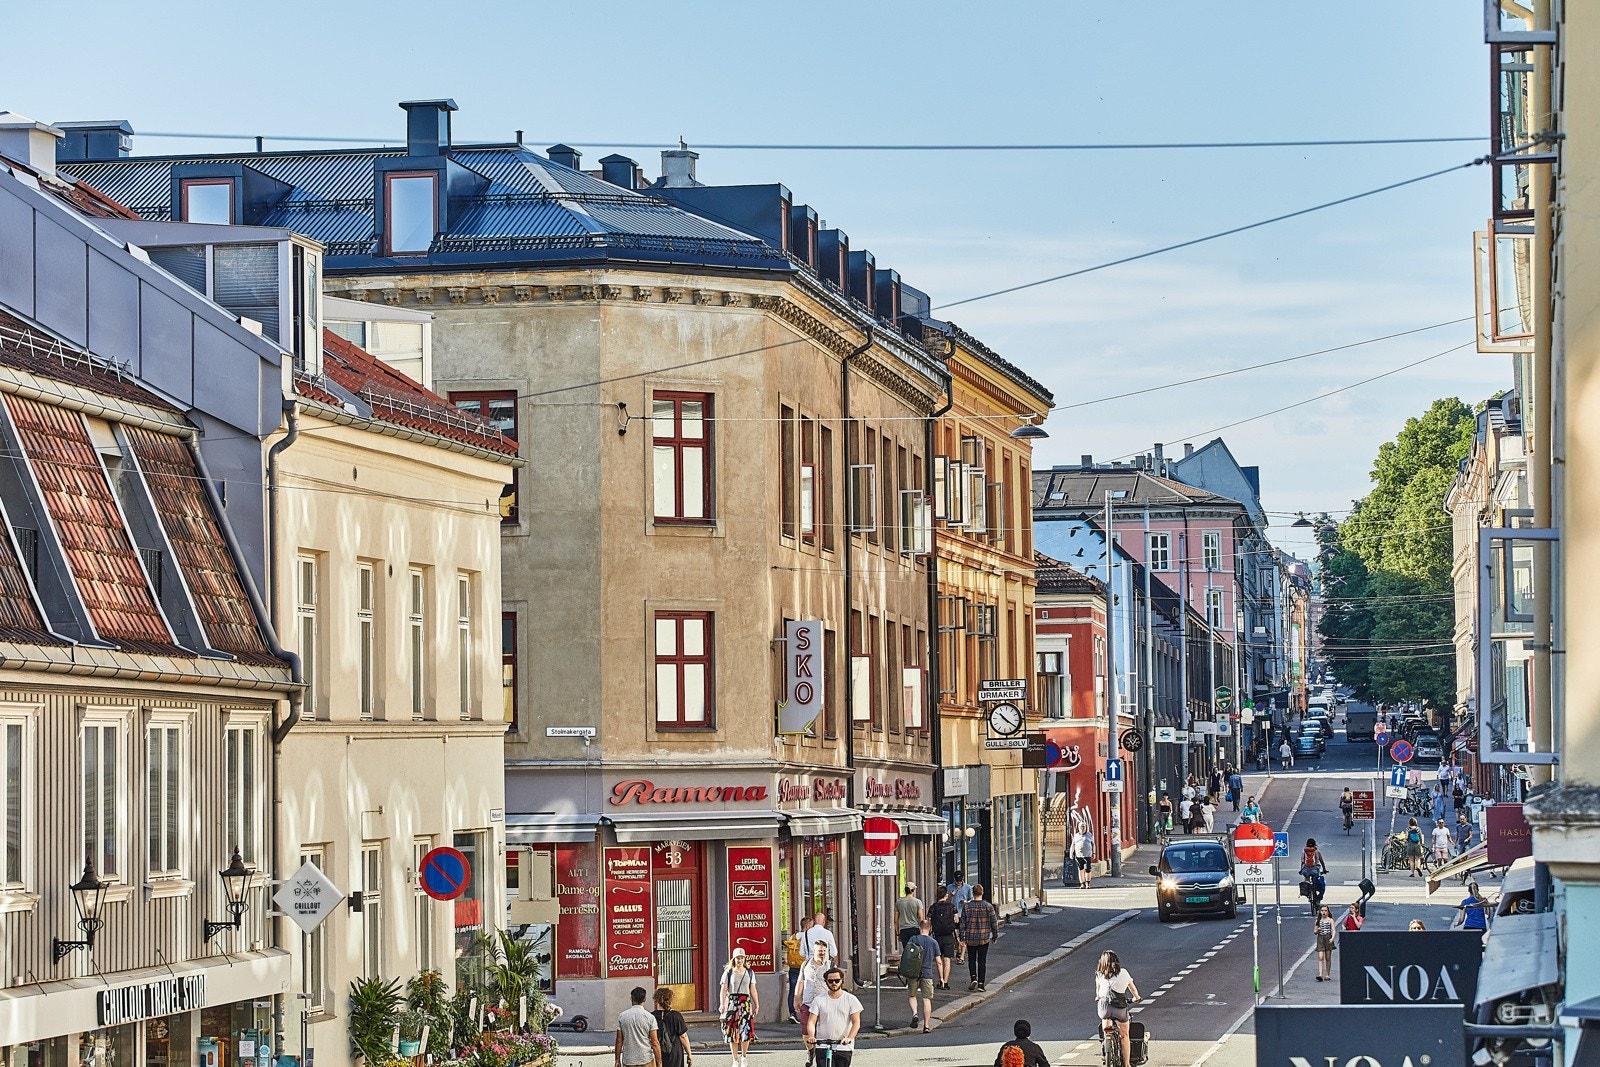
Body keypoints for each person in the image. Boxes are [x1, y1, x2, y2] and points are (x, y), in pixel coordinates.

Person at [804, 967, 863, 1067]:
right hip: (822, 1045)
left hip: (843, 1046)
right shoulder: (819, 1000)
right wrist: (811, 1036)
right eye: (830, 981)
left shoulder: (851, 999)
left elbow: (856, 1023)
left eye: (837, 980)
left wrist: (849, 1038)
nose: (834, 983)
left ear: (842, 981)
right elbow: (811, 1022)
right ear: (826, 982)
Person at [1094, 950, 1141, 1067]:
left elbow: (1098, 993)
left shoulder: (1099, 974)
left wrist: (1099, 997)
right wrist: (1136, 997)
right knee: (1124, 1035)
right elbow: (1133, 989)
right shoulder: (1123, 972)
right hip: (1119, 1008)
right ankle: (1126, 1064)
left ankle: (1106, 1049)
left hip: (1104, 1009)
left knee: (1106, 1028)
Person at [719, 948, 759, 1066]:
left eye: (742, 958)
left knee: (745, 1031)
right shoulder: (728, 972)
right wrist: (722, 1004)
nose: (740, 960)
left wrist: (757, 1004)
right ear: (734, 959)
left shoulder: (749, 972)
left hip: (745, 1003)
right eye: (738, 958)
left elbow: (753, 990)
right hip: (732, 1003)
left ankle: (744, 1057)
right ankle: (735, 1059)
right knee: (732, 1032)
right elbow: (723, 989)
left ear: (744, 959)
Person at [794, 939, 832, 1064]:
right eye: (820, 950)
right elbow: (800, 982)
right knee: (806, 1031)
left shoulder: (830, 965)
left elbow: (836, 985)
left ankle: (824, 1057)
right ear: (814, 951)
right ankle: (810, 1052)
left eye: (824, 951)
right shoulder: (805, 965)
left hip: (825, 1003)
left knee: (823, 1031)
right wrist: (796, 998)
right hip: (808, 1002)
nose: (822, 953)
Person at [960, 882, 1000, 991]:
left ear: (973, 893)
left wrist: (962, 938)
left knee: (971, 959)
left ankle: (973, 977)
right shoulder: (988, 906)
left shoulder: (967, 907)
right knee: (982, 961)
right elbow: (994, 922)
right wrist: (995, 936)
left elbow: (962, 923)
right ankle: (981, 984)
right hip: (984, 937)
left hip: (971, 937)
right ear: (982, 893)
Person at [905, 918, 940, 1032]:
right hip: (927, 973)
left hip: (914, 972)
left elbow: (907, 956)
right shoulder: (933, 942)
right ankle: (926, 1025)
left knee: (912, 995)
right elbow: (939, 961)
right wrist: (942, 978)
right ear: (929, 929)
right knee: (926, 999)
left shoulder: (913, 939)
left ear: (920, 928)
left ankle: (915, 1013)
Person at [615, 986, 662, 1067]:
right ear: (644, 999)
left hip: (629, 1060)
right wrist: (659, 1062)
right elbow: (655, 1043)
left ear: (631, 999)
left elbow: (619, 1041)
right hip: (646, 1059)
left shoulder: (622, 1016)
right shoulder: (650, 1017)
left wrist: (617, 1060)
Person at [927, 887, 959, 989]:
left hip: (937, 936)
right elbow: (957, 920)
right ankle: (945, 982)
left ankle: (940, 979)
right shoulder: (951, 906)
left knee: (938, 959)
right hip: (948, 935)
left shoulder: (933, 907)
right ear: (946, 895)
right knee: (947, 959)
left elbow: (928, 921)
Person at [652, 987, 691, 1067]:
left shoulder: (651, 1016)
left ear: (657, 1001)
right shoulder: (676, 1016)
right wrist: (689, 1054)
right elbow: (683, 1036)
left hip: (657, 1051)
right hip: (674, 1052)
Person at [783, 930, 806, 1023]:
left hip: (793, 966)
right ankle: (806, 1014)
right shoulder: (807, 937)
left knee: (793, 990)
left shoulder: (793, 937)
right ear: (808, 926)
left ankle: (792, 1013)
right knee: (807, 991)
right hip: (804, 966)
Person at [896, 883, 925, 950]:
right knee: (915, 950)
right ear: (913, 890)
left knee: (906, 950)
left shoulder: (899, 902)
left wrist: (898, 933)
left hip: (903, 930)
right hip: (914, 929)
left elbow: (896, 920)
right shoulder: (918, 902)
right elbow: (921, 917)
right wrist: (921, 930)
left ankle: (907, 960)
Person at [1314, 904, 1337, 982]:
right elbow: (1315, 931)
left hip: (1328, 938)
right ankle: (1320, 974)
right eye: (1322, 911)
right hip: (1320, 938)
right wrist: (1318, 930)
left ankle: (1327, 974)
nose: (1324, 912)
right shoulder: (1318, 921)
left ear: (1328, 911)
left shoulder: (1330, 920)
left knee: (1328, 957)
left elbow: (1333, 930)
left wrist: (1332, 938)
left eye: (1325, 911)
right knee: (1320, 957)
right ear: (1320, 912)